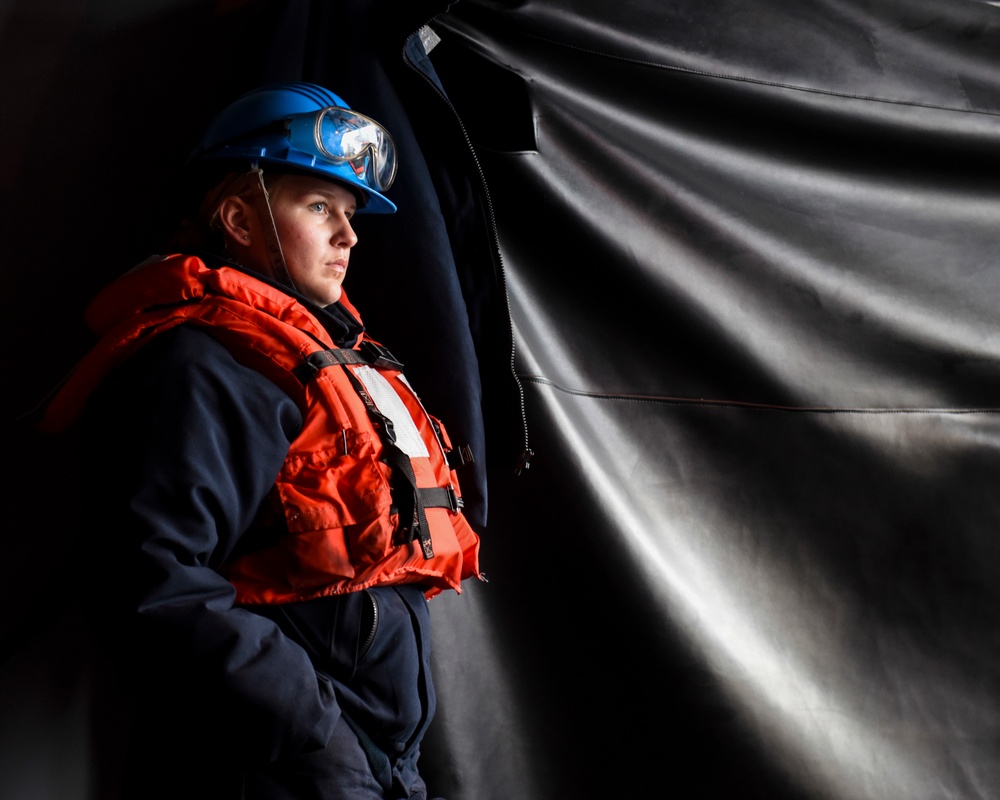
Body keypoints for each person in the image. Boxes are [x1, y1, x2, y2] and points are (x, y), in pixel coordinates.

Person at [40, 82, 481, 800]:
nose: (350, 235)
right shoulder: (202, 366)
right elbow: (152, 584)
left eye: (349, 213)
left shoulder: (313, 354)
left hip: (370, 759)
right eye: (319, 207)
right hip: (274, 765)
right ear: (240, 220)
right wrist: (316, 736)